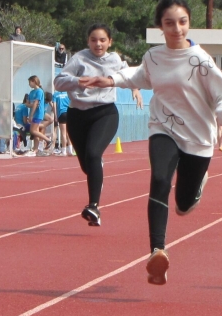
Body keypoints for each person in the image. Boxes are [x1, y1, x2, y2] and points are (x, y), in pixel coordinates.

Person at [80, 0, 222, 285]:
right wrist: (110, 80)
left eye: (182, 22)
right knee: (160, 180)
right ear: (160, 26)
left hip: (198, 137)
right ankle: (157, 251)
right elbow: (139, 77)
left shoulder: (200, 59)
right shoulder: (153, 56)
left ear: (189, 23)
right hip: (163, 128)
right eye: (169, 23)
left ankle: (196, 187)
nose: (177, 28)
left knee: (183, 204)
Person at [55, 24, 144, 224]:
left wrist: (135, 90)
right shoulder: (79, 58)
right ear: (88, 41)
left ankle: (93, 206)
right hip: (77, 115)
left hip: (105, 113)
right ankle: (96, 167)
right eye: (94, 40)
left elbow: (129, 76)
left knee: (94, 154)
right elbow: (58, 82)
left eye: (103, 40)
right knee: (88, 165)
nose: (98, 44)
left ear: (110, 42)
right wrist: (78, 81)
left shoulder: (114, 60)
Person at [24, 76, 52, 152]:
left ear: (34, 81)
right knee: (35, 131)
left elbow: (36, 104)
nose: (29, 84)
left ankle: (48, 140)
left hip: (38, 114)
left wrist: (31, 115)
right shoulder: (31, 92)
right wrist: (32, 105)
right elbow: (28, 104)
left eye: (30, 82)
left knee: (33, 131)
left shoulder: (39, 91)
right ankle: (35, 149)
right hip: (34, 113)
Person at [52, 85, 71, 156]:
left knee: (63, 133)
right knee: (68, 132)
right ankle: (70, 149)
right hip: (69, 113)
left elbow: (54, 106)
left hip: (61, 113)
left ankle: (64, 150)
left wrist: (55, 115)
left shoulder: (55, 95)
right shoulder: (68, 93)